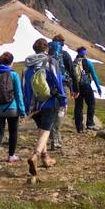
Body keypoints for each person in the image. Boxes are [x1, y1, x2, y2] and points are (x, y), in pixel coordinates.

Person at [23, 38, 67, 177]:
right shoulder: (51, 62)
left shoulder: (28, 65)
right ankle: (35, 156)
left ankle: (45, 158)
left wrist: (26, 106)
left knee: (41, 130)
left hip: (33, 105)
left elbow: (25, 87)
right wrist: (63, 99)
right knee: (46, 131)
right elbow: (58, 80)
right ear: (46, 48)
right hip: (49, 102)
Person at [0, 52, 26, 168]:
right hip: (11, 107)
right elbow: (19, 94)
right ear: (11, 62)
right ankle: (11, 156)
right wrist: (22, 110)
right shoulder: (13, 75)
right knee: (13, 131)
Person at [47, 35, 78, 151]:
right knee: (61, 111)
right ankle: (56, 141)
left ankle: (52, 138)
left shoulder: (47, 54)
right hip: (62, 86)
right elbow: (72, 72)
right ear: (61, 43)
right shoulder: (64, 55)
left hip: (48, 87)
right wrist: (75, 89)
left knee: (51, 111)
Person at [72, 47, 103, 132]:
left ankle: (79, 127)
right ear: (85, 53)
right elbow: (94, 75)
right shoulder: (88, 62)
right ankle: (90, 124)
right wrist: (98, 87)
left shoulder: (74, 62)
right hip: (86, 85)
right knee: (91, 103)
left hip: (76, 86)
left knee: (78, 106)